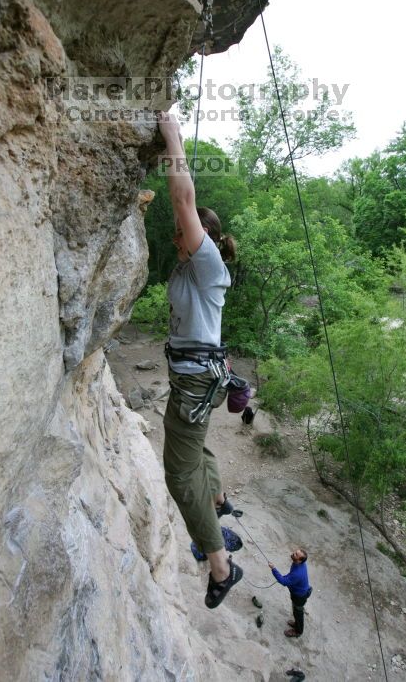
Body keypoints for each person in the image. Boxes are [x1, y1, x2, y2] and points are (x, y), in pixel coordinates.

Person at [157, 111, 243, 609]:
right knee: (195, 447)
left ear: (199, 235)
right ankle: (218, 501)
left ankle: (220, 565)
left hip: (194, 384)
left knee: (178, 472)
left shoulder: (206, 260)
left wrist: (173, 138)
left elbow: (183, 198)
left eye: (181, 231)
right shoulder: (193, 266)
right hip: (195, 380)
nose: (176, 234)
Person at [268, 548, 312, 637]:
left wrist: (273, 569)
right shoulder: (299, 564)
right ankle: (296, 623)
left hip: (299, 597)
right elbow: (290, 577)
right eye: (295, 552)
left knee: (298, 613)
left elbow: (284, 581)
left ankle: (298, 631)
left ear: (300, 561)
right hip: (300, 592)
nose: (293, 554)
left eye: (296, 555)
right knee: (296, 610)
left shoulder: (298, 573)